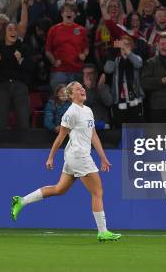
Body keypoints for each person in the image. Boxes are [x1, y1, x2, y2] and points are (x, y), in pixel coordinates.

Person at [10, 81, 122, 243]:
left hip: (75, 156)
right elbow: (60, 137)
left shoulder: (88, 110)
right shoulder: (71, 113)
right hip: (79, 156)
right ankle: (103, 232)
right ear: (71, 95)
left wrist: (103, 157)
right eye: (78, 89)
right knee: (97, 192)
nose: (82, 89)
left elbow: (93, 135)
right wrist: (50, 157)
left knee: (59, 189)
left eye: (82, 87)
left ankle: (21, 201)